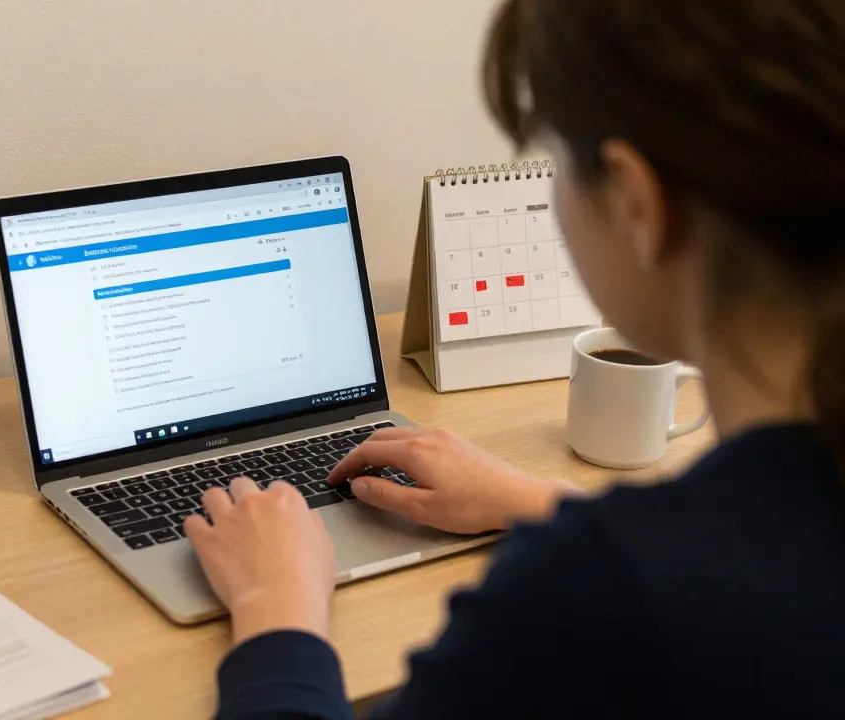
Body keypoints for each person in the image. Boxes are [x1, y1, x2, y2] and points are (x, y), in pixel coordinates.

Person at [184, 1, 845, 717]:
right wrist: (542, 503)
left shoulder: (580, 596)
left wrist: (273, 608)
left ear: (637, 202)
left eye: (553, 161)